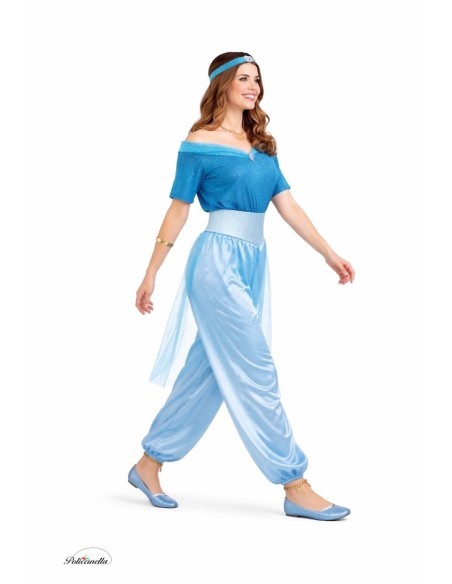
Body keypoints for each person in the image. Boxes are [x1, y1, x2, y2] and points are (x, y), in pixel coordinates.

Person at [128, 52, 355, 520]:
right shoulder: (199, 142)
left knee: (207, 373)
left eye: (258, 80)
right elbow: (178, 210)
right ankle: (294, 482)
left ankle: (149, 463)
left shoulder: (263, 144)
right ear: (223, 85)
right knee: (257, 368)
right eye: (244, 79)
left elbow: (288, 206)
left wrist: (328, 252)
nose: (254, 87)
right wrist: (151, 272)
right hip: (216, 262)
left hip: (253, 262)